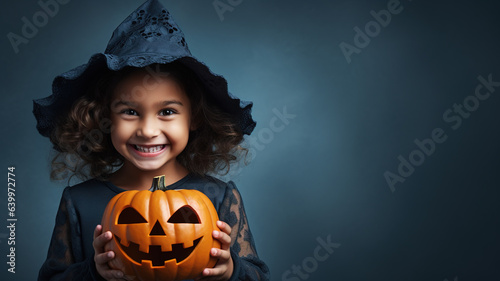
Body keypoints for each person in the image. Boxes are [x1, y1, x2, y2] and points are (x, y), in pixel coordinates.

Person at [33, 0, 269, 280]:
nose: (147, 130)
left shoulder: (220, 198)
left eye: (167, 112)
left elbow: (258, 276)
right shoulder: (79, 201)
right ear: (104, 118)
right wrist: (93, 272)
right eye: (130, 112)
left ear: (193, 117)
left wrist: (231, 270)